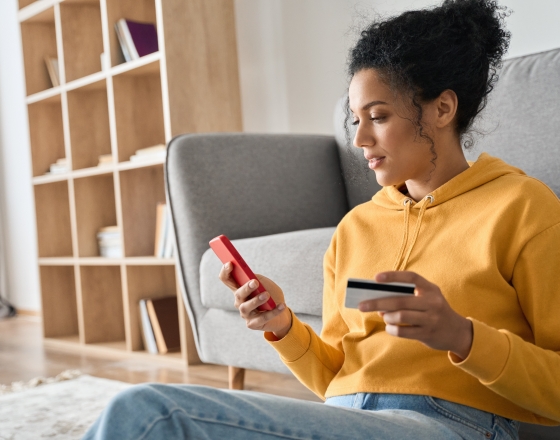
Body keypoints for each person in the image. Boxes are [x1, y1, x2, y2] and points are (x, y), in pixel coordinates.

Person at [83, 1, 560, 438]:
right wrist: (282, 324)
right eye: (356, 119)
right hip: (347, 416)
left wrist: (463, 336)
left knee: (152, 415)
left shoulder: (522, 208)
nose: (360, 140)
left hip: (454, 424)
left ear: (442, 108)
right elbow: (334, 377)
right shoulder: (357, 229)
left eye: (378, 116)